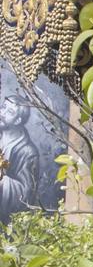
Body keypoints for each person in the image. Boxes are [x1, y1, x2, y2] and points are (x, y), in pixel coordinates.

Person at [0, 74, 41, 223]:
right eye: (3, 107)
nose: (2, 114)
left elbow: (26, 194)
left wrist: (3, 181)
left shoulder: (28, 152)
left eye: (9, 112)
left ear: (18, 120)